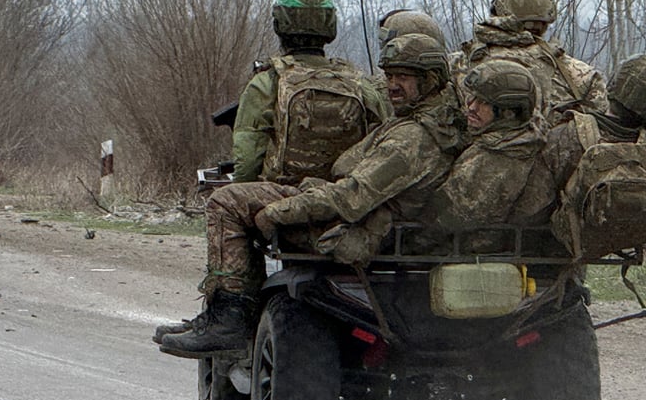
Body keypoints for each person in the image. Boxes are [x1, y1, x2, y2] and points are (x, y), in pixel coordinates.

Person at [157, 33, 463, 358]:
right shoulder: (427, 120)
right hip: (358, 210)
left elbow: (351, 198)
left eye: (403, 77)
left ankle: (229, 321)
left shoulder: (412, 138)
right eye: (389, 76)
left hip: (356, 226)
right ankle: (225, 317)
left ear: (430, 80)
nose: (392, 85)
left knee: (226, 202)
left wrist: (282, 211)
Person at [544, 53, 646, 253]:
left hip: (560, 245)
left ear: (614, 85)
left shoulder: (567, 135)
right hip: (628, 244)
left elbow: (532, 206)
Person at [231, 0, 389, 185]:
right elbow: (384, 146)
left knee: (222, 202)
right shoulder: (359, 83)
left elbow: (247, 164)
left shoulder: (266, 83)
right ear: (330, 25)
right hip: (345, 199)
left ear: (279, 25)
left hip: (282, 199)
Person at [453, 0, 608, 122]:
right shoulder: (580, 74)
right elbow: (597, 130)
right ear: (546, 20)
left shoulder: (456, 65)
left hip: (478, 151)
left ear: (496, 14)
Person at [432, 58, 551, 243]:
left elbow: (441, 222)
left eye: (483, 102)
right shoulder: (521, 135)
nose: (471, 107)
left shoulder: (495, 159)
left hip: (469, 255)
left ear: (508, 112)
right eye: (472, 97)